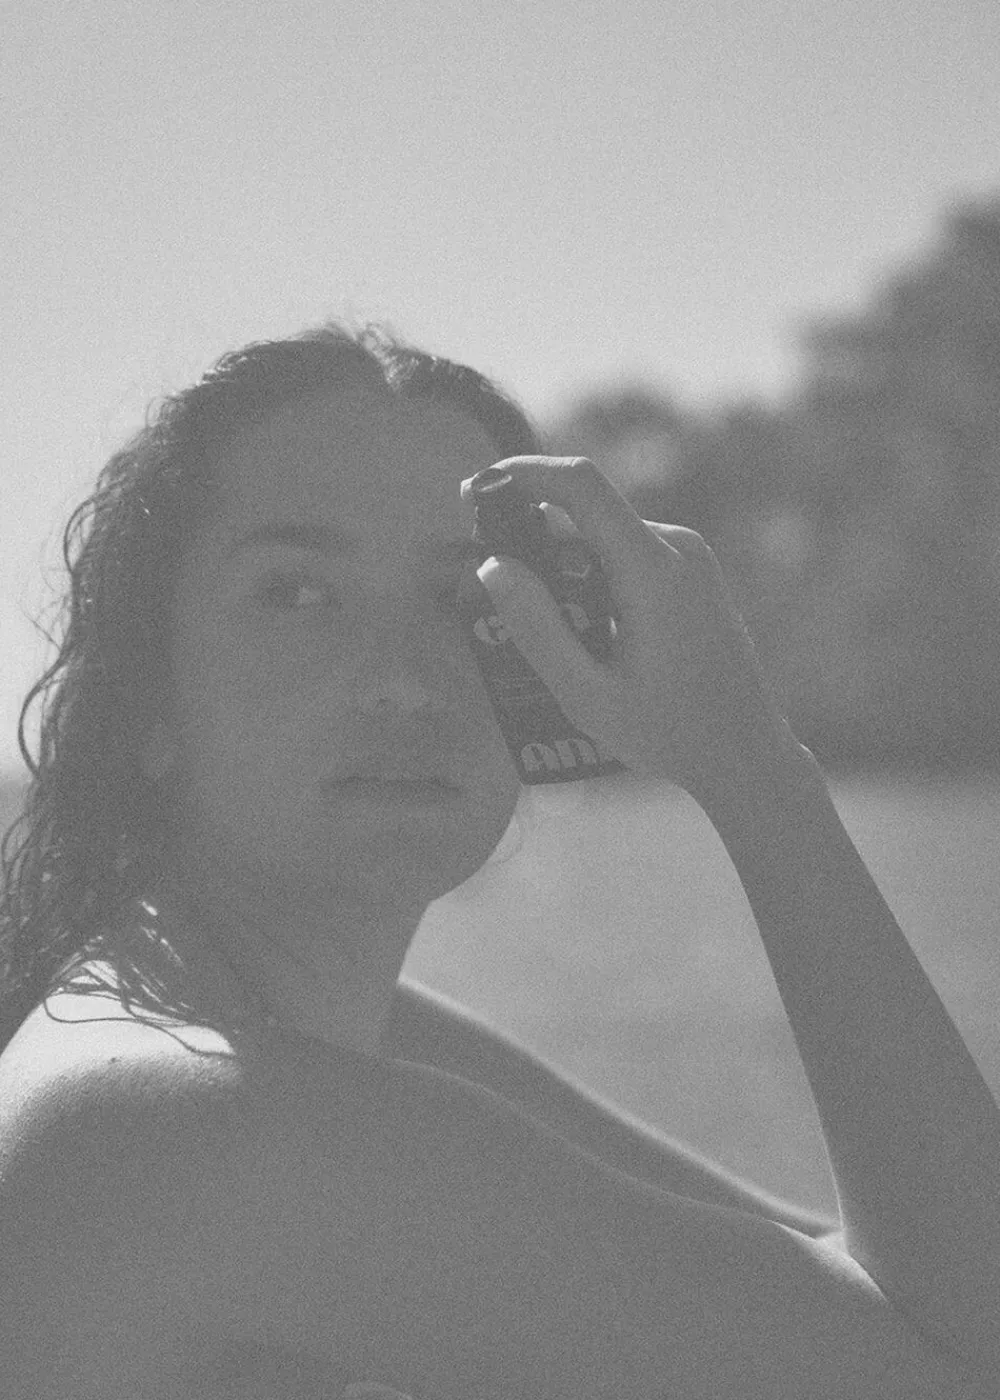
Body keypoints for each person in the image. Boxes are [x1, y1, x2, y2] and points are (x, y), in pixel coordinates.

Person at [0, 321, 996, 1399]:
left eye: (462, 599)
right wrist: (754, 769)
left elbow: (873, 1277)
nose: (403, 679)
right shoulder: (210, 1124)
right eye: (298, 593)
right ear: (148, 693)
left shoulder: (320, 1031)